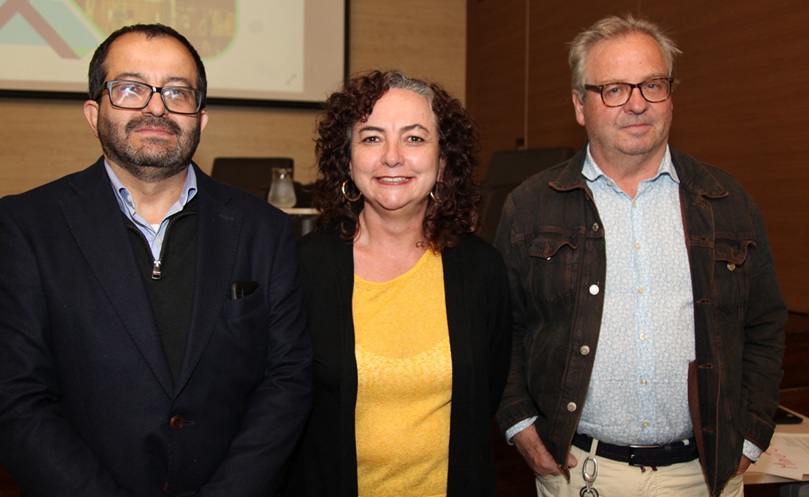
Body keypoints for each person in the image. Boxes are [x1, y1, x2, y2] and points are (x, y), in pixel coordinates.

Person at [0, 24, 312, 497]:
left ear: (200, 118)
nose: (155, 106)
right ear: (93, 112)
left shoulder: (263, 228)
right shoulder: (24, 226)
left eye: (177, 92)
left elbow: (287, 379)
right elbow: (16, 398)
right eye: (130, 88)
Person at [495, 14, 786, 497]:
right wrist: (520, 427)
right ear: (579, 105)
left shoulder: (727, 201)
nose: (635, 104)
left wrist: (751, 437)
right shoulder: (530, 206)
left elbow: (765, 326)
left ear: (671, 96)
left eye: (651, 85)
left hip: (706, 474)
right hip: (579, 472)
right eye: (613, 88)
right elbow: (501, 330)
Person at [282, 70, 512, 497]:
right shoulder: (302, 269)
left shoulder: (482, 270)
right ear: (348, 161)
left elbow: (487, 392)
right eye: (371, 138)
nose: (392, 156)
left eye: (414, 138)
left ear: (443, 160)